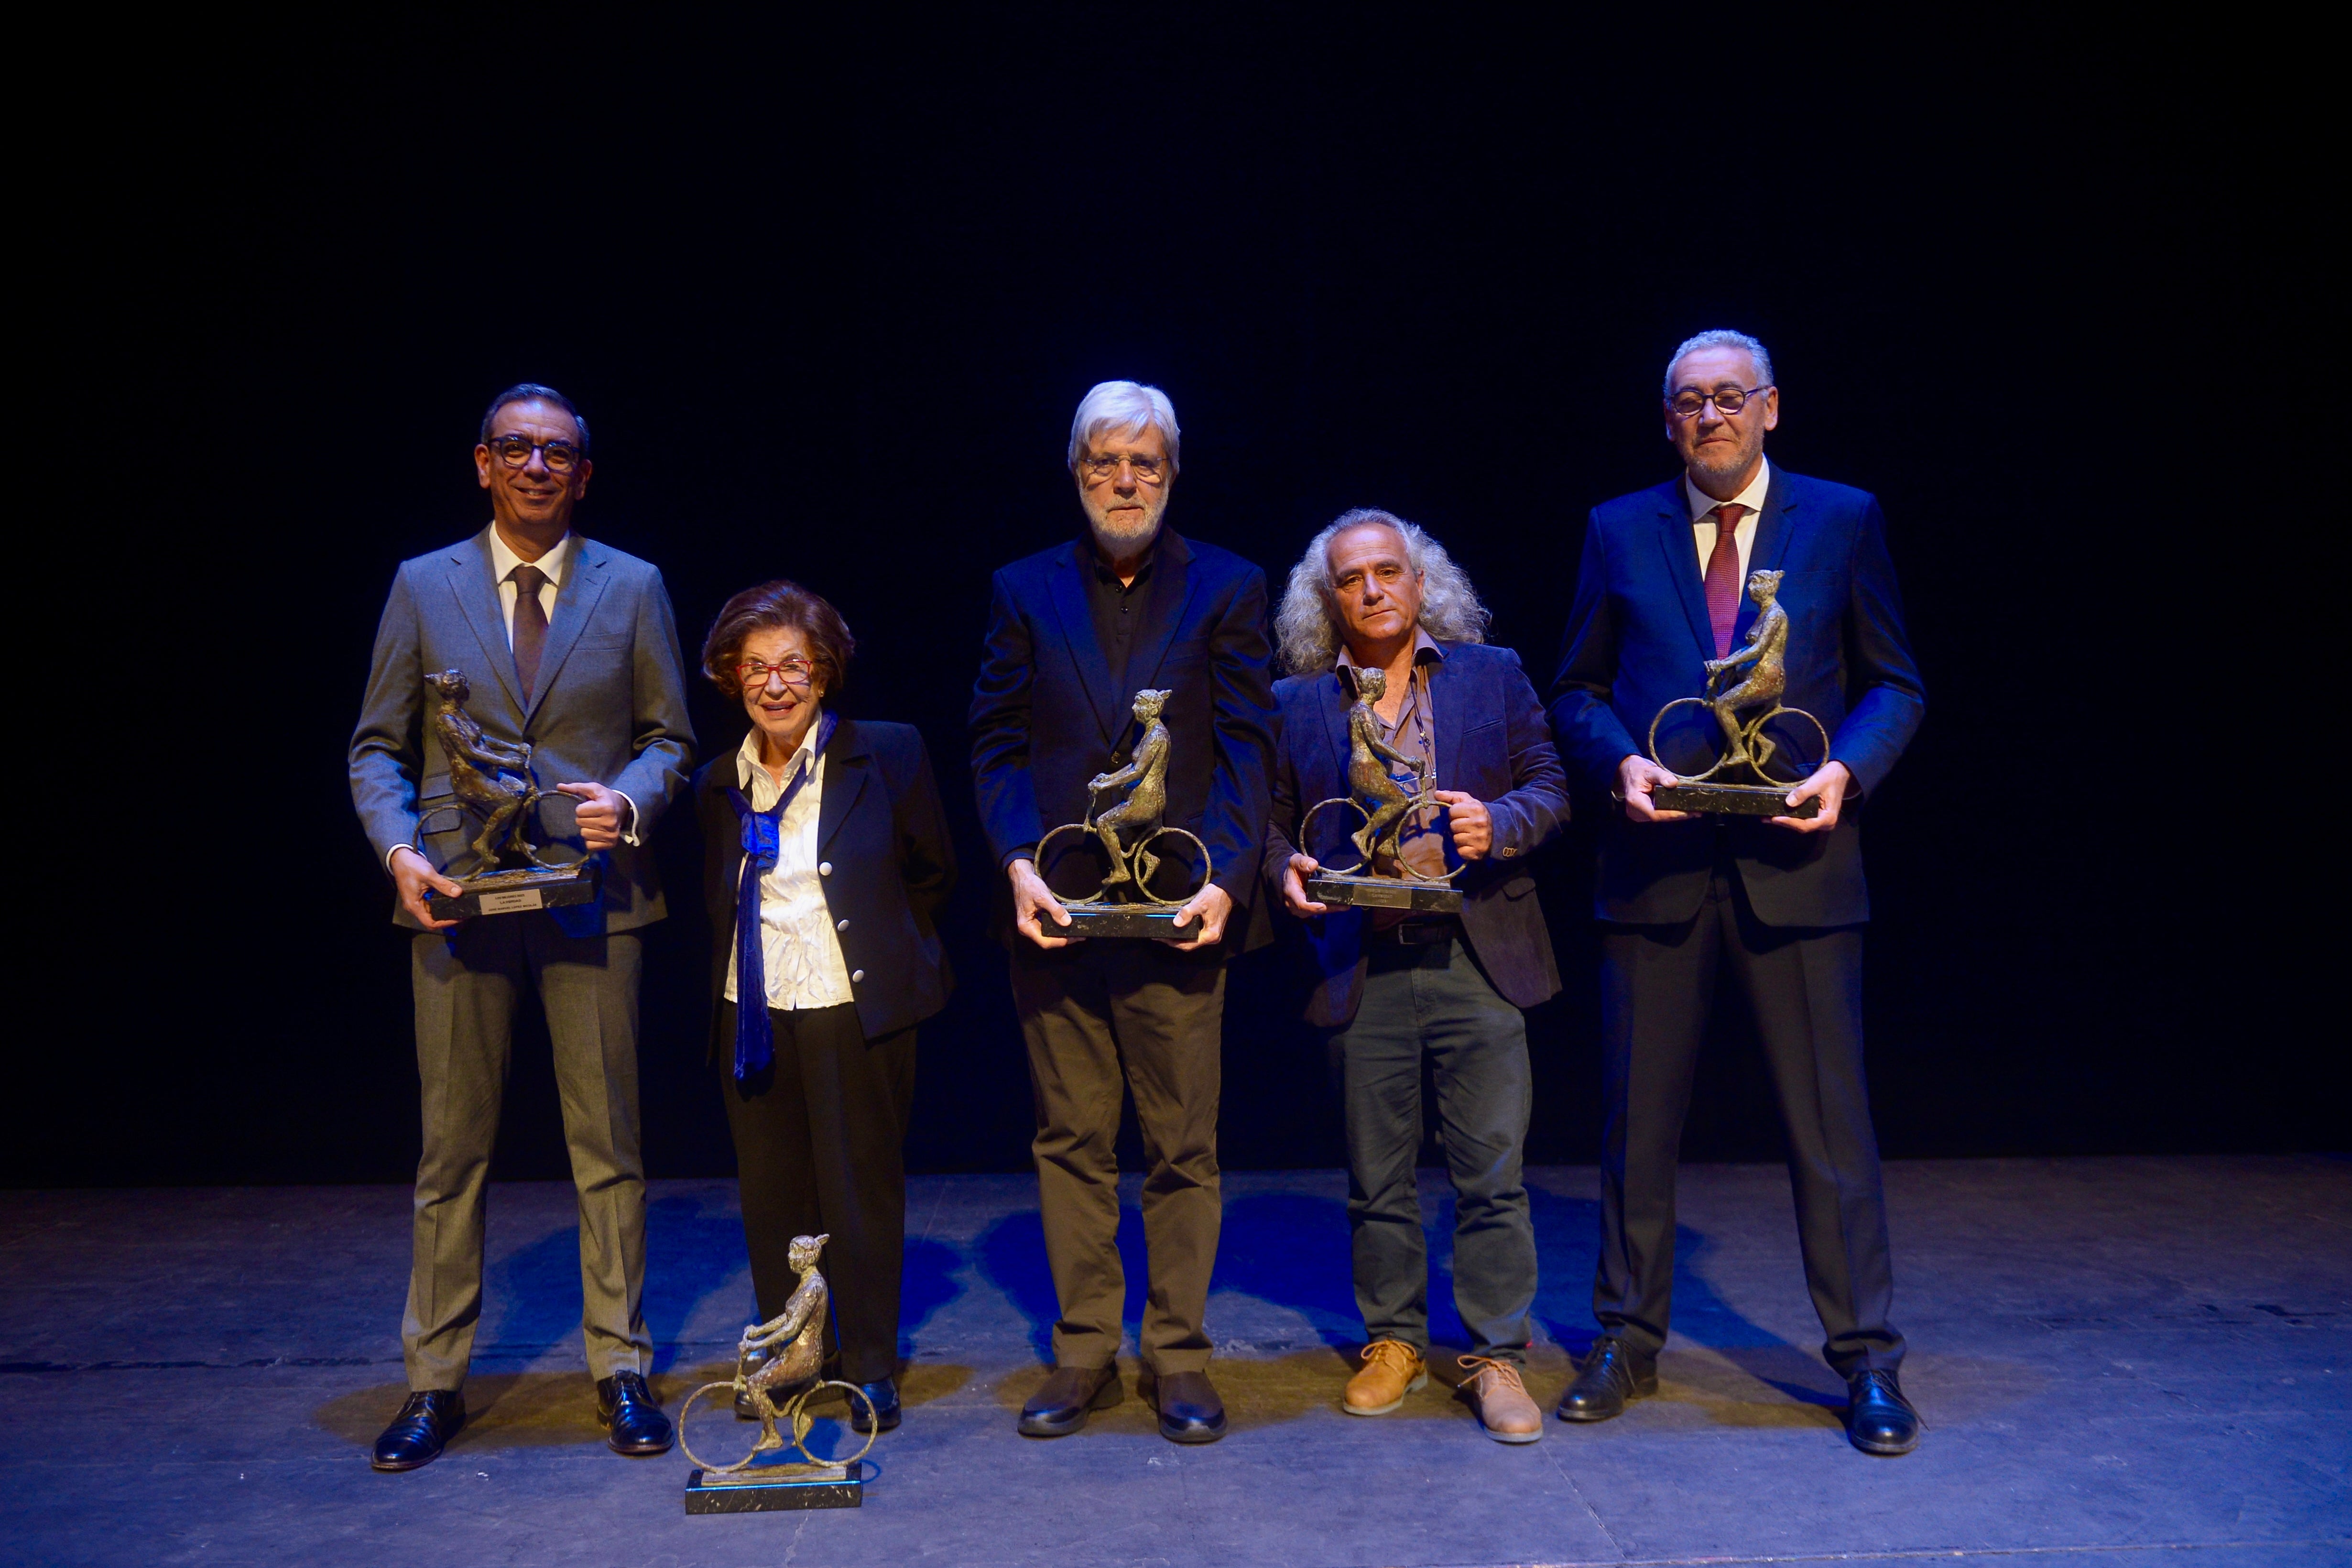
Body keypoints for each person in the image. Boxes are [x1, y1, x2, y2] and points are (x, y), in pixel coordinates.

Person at [1547, 330, 1928, 1456]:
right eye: (1687, 402)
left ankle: (1865, 1357)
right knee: (1636, 1123)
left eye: (1729, 398)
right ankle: (1626, 1337)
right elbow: (1574, 685)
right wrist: (1620, 759)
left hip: (1801, 867)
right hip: (1657, 866)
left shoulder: (1845, 517)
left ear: (1770, 408)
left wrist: (1845, 770)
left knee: (1831, 1129)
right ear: (1668, 421)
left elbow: (1896, 682)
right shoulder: (1619, 527)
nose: (1709, 416)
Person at [349, 383, 696, 1470]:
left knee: (609, 1146)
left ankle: (620, 1364)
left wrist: (628, 802)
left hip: (593, 899)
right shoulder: (423, 585)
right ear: (483, 464)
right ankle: (435, 1379)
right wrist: (399, 849)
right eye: (517, 448)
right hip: (457, 899)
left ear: (583, 474)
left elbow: (670, 736)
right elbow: (375, 747)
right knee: (452, 1151)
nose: (537, 465)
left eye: (558, 452)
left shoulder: (632, 585)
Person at [969, 381, 1277, 1444]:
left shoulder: (1230, 585)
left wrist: (1228, 879)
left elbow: (1248, 745)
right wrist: (1017, 863)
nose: (1126, 479)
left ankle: (1181, 1355)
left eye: (1145, 462)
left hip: (1180, 914)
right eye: (1106, 461)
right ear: (1078, 470)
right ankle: (1085, 1349)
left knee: (1183, 1145)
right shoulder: (1023, 587)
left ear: (1173, 472)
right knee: (1071, 1137)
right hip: (1057, 915)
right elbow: (997, 741)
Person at [1264, 510, 1569, 1443]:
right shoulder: (1296, 701)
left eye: (1388, 570)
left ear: (1420, 579)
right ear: (1329, 598)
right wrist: (1282, 866)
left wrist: (1501, 821)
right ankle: (1393, 1339)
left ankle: (1496, 1353)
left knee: (1492, 1171)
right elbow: (1268, 819)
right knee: (1377, 1175)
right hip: (1366, 960)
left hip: (1478, 954)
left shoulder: (1492, 673)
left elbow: (1552, 783)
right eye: (1351, 577)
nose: (1371, 589)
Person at [690, 580, 955, 1435]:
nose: (775, 685)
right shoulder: (713, 784)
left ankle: (871, 1365)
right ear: (733, 678)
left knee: (859, 1193)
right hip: (753, 1012)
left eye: (793, 666)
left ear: (825, 671)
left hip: (854, 1006)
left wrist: (890, 954)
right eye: (756, 668)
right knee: (773, 1199)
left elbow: (932, 872)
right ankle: (795, 1361)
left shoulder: (890, 752)